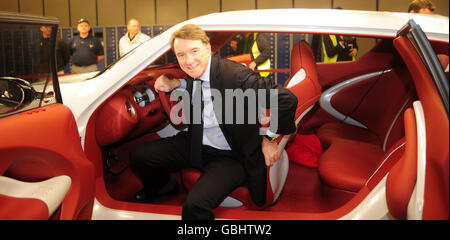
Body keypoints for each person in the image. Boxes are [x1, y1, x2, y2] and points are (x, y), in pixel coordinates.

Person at [129, 24, 297, 220]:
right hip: (195, 143)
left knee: (194, 207)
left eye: (194, 51)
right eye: (181, 55)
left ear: (208, 48)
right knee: (139, 155)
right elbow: (199, 83)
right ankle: (162, 186)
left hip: (230, 155)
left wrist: (269, 139)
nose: (188, 61)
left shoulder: (236, 76)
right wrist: (177, 83)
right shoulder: (197, 74)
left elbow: (286, 99)